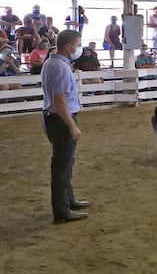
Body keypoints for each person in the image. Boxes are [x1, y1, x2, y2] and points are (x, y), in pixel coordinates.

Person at [40, 29, 90, 223]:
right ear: (68, 46)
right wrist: (72, 125)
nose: (79, 48)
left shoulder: (51, 63)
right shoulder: (60, 67)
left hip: (52, 117)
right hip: (61, 119)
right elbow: (59, 100)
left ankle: (68, 201)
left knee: (66, 162)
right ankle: (62, 211)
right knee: (62, 165)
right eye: (77, 44)